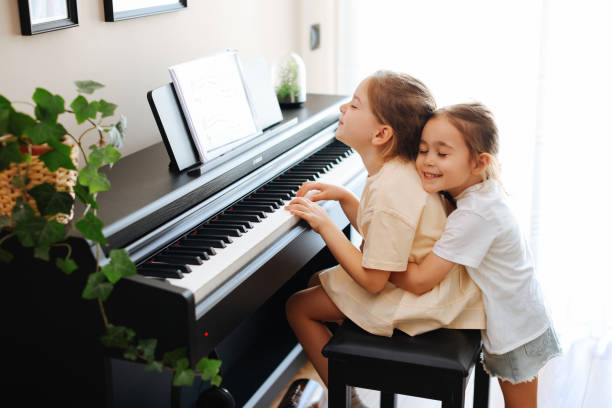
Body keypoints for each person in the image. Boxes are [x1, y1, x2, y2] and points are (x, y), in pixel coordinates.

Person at [284, 71, 486, 405]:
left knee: (298, 307)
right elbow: (385, 238)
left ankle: (347, 399)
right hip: (430, 285)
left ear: (381, 133)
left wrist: (327, 226)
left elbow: (374, 280)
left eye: (355, 104)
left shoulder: (391, 188)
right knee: (316, 282)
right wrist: (346, 198)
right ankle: (347, 371)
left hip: (418, 300)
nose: (343, 108)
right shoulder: (397, 170)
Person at [389, 103, 561, 408]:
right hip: (520, 316)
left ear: (479, 163)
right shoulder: (481, 193)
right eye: (423, 149)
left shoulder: (475, 215)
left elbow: (419, 282)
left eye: (442, 154)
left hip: (516, 330)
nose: (427, 161)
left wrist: (379, 264)